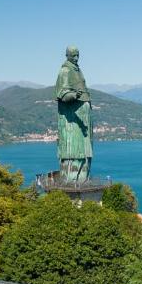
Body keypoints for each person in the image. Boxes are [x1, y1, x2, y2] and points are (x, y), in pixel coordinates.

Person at [55, 46, 93, 182]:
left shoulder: (77, 70)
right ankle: (72, 178)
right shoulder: (65, 70)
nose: (76, 58)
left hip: (83, 120)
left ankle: (83, 176)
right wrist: (74, 95)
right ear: (67, 55)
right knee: (75, 151)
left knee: (84, 150)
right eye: (73, 56)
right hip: (72, 119)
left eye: (78, 55)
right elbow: (62, 93)